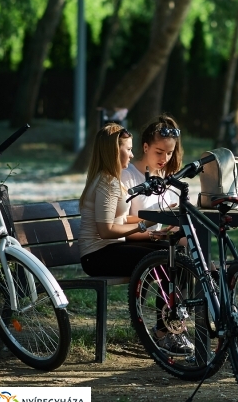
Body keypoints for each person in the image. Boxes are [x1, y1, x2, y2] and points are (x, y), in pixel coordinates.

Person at [78, 123, 192, 354]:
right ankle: (165, 332)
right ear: (113, 151)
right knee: (166, 259)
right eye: (127, 149)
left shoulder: (110, 179)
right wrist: (143, 225)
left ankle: (172, 327)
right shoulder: (107, 183)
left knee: (175, 254)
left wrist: (152, 221)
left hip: (109, 249)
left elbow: (119, 220)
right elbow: (107, 230)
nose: (131, 153)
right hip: (98, 255)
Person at [120, 115, 183, 227]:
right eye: (159, 152)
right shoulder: (128, 175)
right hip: (137, 240)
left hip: (157, 238)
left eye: (169, 153)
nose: (165, 159)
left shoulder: (164, 175)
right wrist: (158, 215)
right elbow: (121, 220)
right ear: (146, 147)